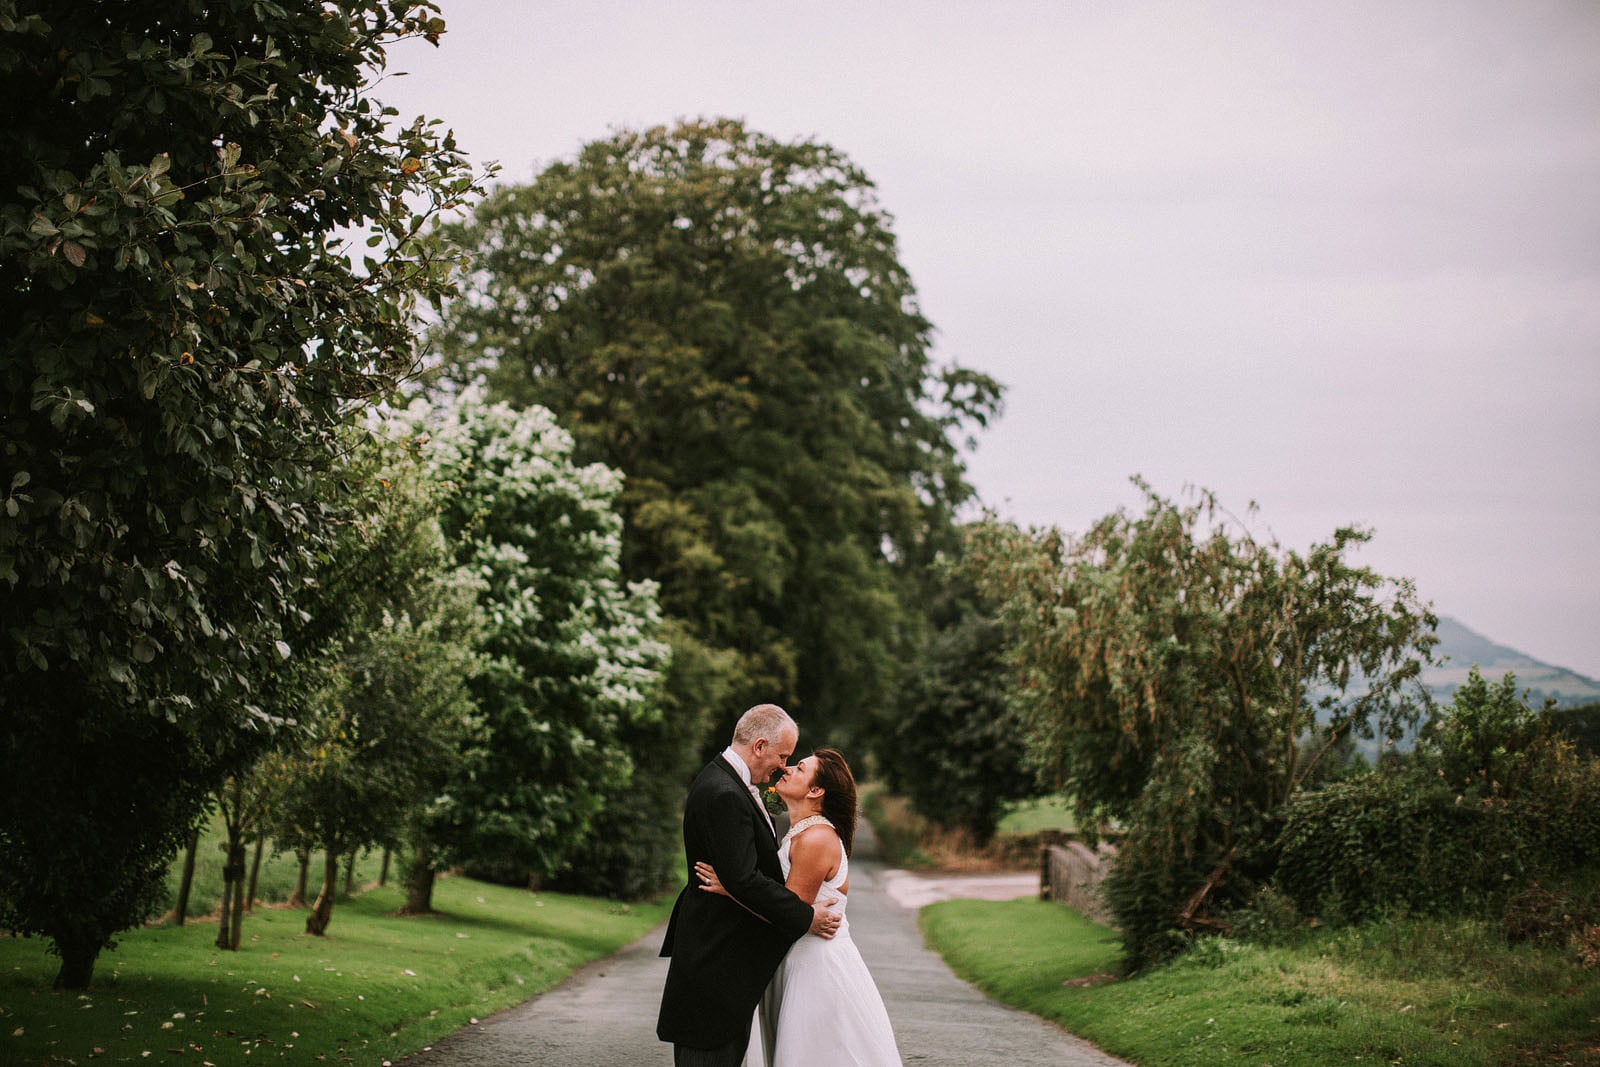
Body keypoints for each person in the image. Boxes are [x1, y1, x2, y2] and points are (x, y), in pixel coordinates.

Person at [657, 704, 843, 1067]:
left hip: (723, 958)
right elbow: (743, 878)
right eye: (782, 755)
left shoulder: (729, 783)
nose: (783, 766)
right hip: (717, 958)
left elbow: (739, 876)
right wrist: (805, 916)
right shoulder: (725, 792)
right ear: (759, 746)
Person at [695, 747, 902, 1066]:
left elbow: (787, 912)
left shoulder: (816, 839)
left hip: (815, 968)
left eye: (800, 768)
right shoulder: (800, 833)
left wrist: (730, 888)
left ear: (816, 790)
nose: (788, 769)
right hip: (793, 960)